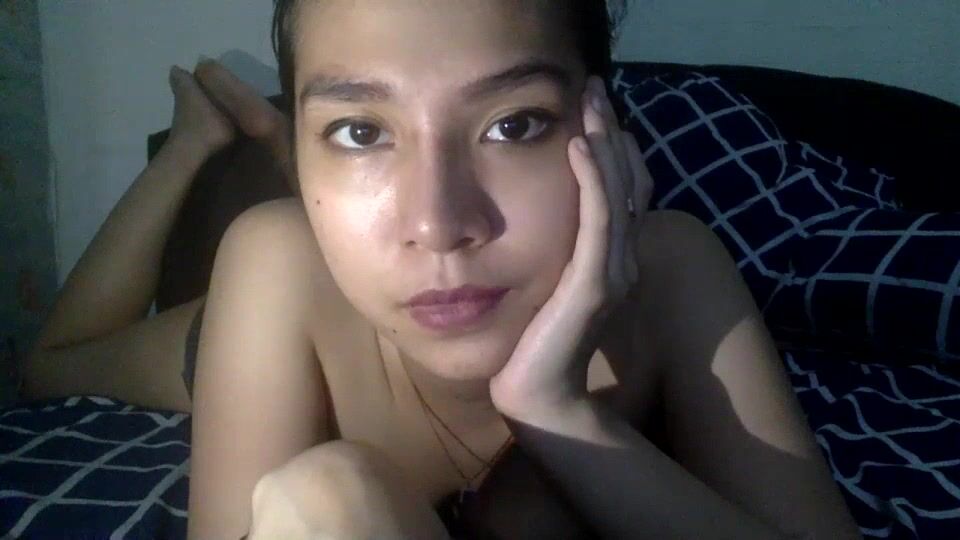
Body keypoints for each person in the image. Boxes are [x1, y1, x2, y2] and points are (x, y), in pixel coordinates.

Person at [23, 1, 863, 539]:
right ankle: (201, 137)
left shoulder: (674, 267)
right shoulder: (273, 259)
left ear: (602, 127)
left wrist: (554, 408)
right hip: (287, 317)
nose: (439, 225)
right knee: (50, 366)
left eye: (514, 124)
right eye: (359, 131)